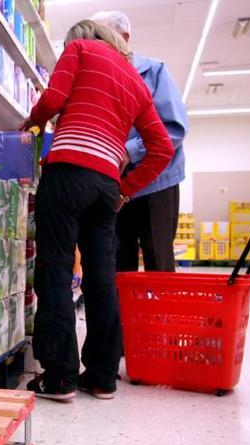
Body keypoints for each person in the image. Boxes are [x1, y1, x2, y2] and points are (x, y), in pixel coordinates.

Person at [20, 20, 174, 401]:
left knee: (55, 268)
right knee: (102, 278)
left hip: (69, 170)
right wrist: (126, 190)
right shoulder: (136, 81)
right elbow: (163, 149)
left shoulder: (80, 50)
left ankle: (59, 377)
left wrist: (31, 124)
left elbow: (54, 101)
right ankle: (103, 376)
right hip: (106, 186)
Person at [92, 10, 189, 273]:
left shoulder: (153, 71)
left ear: (123, 37)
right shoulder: (98, 78)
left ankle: (160, 314)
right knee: (118, 259)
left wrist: (129, 151)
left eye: (99, 37)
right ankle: (125, 314)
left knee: (158, 256)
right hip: (115, 183)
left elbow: (174, 128)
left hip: (158, 182)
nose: (92, 45)